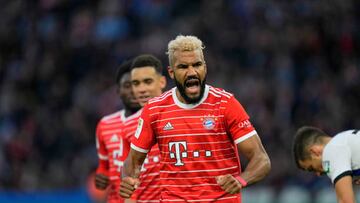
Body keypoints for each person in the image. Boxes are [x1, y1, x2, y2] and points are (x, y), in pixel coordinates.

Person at [120, 35, 271, 202]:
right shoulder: (154, 109)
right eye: (183, 67)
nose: (191, 72)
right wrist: (128, 179)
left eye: (197, 65)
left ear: (205, 68)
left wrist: (241, 180)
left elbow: (261, 159)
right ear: (171, 72)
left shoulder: (225, 104)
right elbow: (132, 163)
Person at [95, 60, 142, 203]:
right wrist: (101, 177)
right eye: (127, 86)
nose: (133, 90)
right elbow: (103, 168)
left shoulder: (157, 123)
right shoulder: (105, 125)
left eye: (137, 84)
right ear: (118, 91)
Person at [127, 54, 166, 202]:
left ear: (162, 82)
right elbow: (130, 183)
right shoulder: (128, 128)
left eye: (147, 82)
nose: (141, 89)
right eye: (136, 83)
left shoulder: (181, 116)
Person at [292, 126, 360, 203]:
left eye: (312, 168)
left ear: (315, 152)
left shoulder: (330, 150)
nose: (318, 174)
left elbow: (346, 201)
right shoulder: (344, 139)